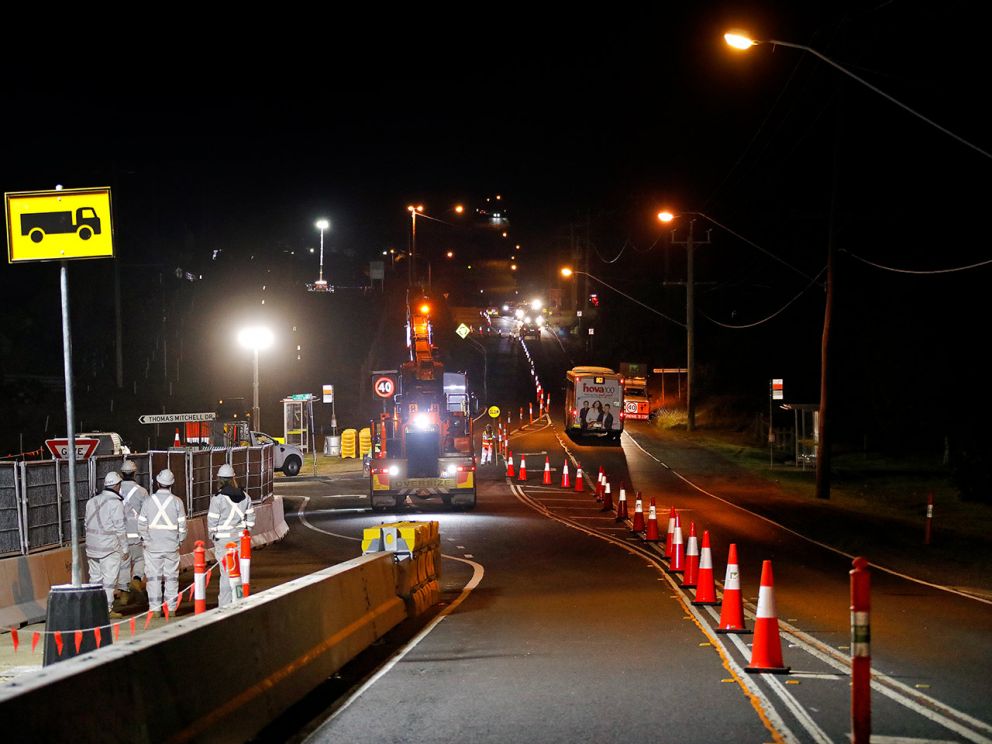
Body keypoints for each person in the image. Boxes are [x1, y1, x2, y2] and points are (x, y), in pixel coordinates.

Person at [138, 469, 187, 616]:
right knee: (172, 578)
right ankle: (171, 609)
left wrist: (146, 540)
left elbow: (141, 525)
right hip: (171, 546)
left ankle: (155, 609)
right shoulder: (177, 502)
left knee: (153, 579)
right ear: (171, 484)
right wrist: (180, 541)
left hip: (152, 547)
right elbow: (183, 526)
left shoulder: (148, 501)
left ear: (158, 483)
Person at [208, 463, 256, 608]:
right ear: (233, 478)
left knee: (226, 575)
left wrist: (214, 538)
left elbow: (212, 524)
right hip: (240, 541)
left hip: (223, 543)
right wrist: (244, 533)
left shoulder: (217, 499)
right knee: (239, 574)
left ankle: (224, 606)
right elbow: (251, 521)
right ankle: (239, 602)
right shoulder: (245, 497)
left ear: (220, 480)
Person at [85, 471, 128, 618]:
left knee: (95, 580)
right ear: (117, 486)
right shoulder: (116, 504)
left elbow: (86, 524)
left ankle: (93, 608)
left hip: (92, 548)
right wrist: (125, 548)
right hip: (109, 549)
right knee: (109, 580)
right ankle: (107, 609)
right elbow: (120, 528)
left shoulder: (91, 501)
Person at [117, 459, 149, 605]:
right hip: (137, 534)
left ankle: (124, 594)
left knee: (123, 563)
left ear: (122, 474)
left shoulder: (116, 490)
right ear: (135, 473)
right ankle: (136, 580)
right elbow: (148, 513)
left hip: (120, 534)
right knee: (140, 559)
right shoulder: (142, 491)